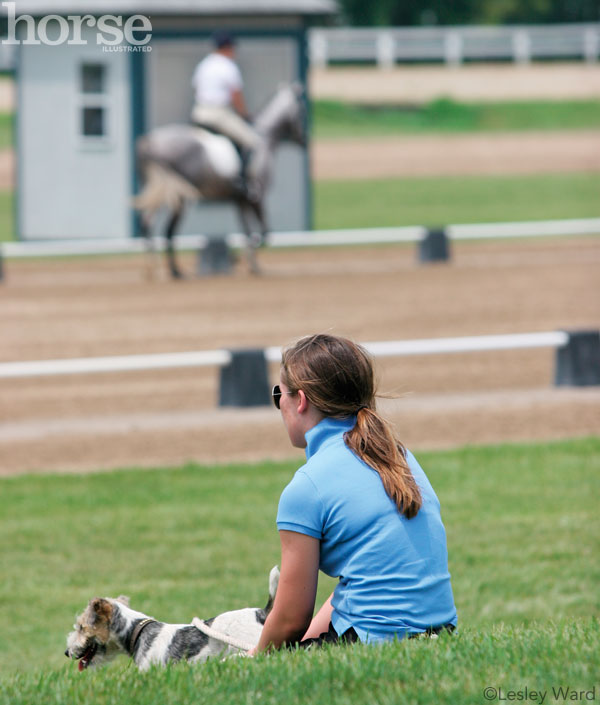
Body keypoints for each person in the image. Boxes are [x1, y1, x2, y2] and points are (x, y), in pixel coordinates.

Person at [251, 333, 457, 653]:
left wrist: (253, 661)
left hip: (372, 643)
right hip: (441, 635)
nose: (279, 403)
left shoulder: (307, 487)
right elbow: (369, 575)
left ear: (300, 400)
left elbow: (291, 618)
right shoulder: (397, 456)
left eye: (280, 393)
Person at [191, 30, 261, 194]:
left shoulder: (204, 64)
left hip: (198, 113)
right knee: (251, 141)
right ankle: (243, 182)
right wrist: (244, 115)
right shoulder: (228, 66)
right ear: (227, 48)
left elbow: (195, 89)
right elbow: (236, 96)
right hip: (218, 114)